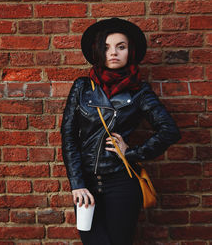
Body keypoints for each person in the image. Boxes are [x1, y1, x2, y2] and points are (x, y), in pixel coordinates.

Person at [61, 18, 181, 245]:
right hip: (86, 185)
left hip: (122, 184)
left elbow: (169, 131)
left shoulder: (140, 92)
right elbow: (69, 138)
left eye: (121, 47)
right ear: (98, 52)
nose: (113, 53)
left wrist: (130, 152)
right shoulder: (82, 87)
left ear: (130, 51)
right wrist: (77, 184)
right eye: (106, 47)